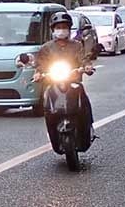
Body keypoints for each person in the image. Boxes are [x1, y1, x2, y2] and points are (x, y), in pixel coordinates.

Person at [32, 11, 96, 147]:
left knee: (84, 103)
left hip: (73, 83)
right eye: (58, 27)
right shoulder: (47, 48)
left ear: (69, 29)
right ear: (53, 29)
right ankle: (53, 134)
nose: (61, 30)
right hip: (53, 83)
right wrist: (38, 73)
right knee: (48, 109)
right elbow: (40, 64)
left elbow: (84, 59)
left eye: (64, 27)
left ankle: (88, 128)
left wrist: (87, 67)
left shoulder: (77, 45)